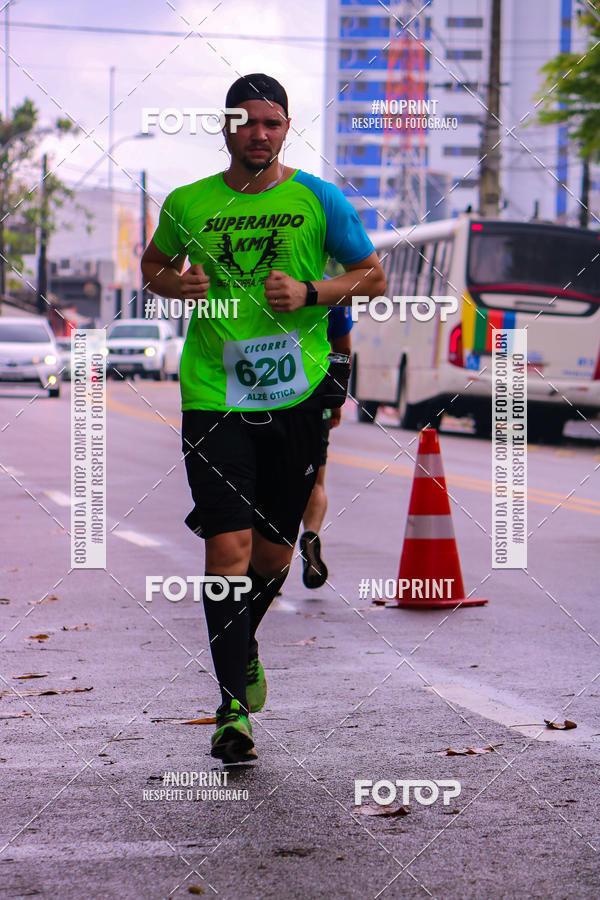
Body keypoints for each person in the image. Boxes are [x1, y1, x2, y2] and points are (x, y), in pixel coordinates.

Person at [141, 73, 386, 764]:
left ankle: (240, 651)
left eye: (271, 122)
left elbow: (374, 274)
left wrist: (312, 289)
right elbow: (153, 264)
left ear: (286, 128)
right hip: (214, 395)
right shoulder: (189, 201)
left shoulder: (319, 198)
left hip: (296, 397)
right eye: (246, 121)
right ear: (225, 126)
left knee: (274, 554)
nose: (259, 132)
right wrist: (175, 282)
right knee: (228, 550)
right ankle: (231, 706)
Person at [299, 305, 353, 589]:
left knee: (266, 484)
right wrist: (335, 401)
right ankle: (310, 533)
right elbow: (342, 349)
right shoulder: (333, 296)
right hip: (315, 400)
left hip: (266, 402)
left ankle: (269, 566)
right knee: (316, 483)